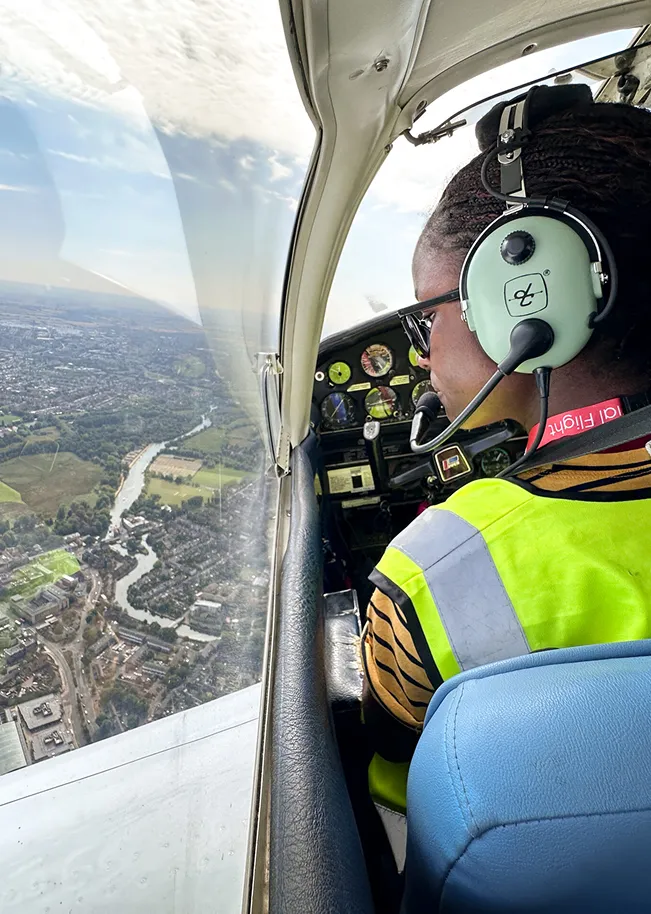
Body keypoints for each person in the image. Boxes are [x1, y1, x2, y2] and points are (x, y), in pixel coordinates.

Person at [361, 89, 651, 814]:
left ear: (525, 302)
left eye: (427, 319)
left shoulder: (429, 577)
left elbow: (402, 789)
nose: (423, 359)